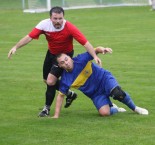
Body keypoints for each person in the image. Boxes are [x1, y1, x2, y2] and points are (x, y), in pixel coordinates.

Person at [7, 6, 101, 117]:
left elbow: (85, 42)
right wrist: (15, 47)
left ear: (63, 17)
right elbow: (29, 37)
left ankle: (46, 109)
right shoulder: (44, 25)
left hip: (64, 57)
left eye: (60, 18)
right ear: (50, 18)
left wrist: (94, 56)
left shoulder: (69, 27)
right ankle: (69, 94)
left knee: (50, 81)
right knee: (45, 80)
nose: (58, 21)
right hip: (51, 54)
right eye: (55, 18)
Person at [52, 46, 149, 118]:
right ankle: (115, 108)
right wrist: (56, 116)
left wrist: (103, 49)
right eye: (62, 63)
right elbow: (60, 96)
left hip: (104, 79)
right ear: (60, 66)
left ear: (70, 58)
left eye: (66, 59)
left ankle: (135, 108)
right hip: (95, 94)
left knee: (117, 93)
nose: (66, 63)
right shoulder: (65, 79)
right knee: (104, 113)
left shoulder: (81, 59)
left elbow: (95, 50)